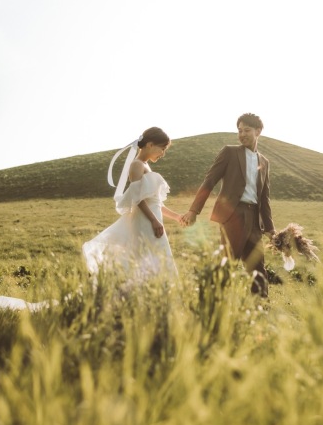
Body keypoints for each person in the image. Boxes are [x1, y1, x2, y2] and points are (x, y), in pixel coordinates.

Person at [180, 113, 275, 297]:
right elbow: (209, 181)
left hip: (254, 218)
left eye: (246, 130)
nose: (242, 134)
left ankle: (261, 307)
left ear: (258, 131)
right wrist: (194, 210)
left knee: (258, 266)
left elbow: (265, 198)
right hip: (233, 215)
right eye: (239, 130)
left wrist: (270, 228)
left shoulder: (264, 162)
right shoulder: (229, 152)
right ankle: (215, 302)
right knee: (229, 262)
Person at [83, 127, 181, 279]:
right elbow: (138, 199)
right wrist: (154, 221)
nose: (163, 153)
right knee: (149, 255)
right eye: (162, 148)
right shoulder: (137, 165)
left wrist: (176, 217)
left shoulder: (146, 165)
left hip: (153, 219)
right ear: (150, 145)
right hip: (146, 220)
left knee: (157, 254)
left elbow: (156, 202)